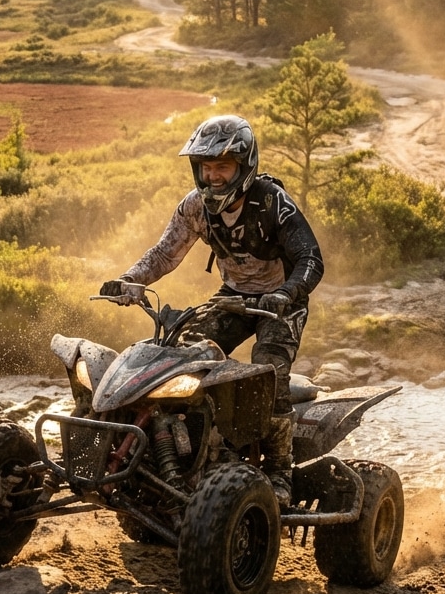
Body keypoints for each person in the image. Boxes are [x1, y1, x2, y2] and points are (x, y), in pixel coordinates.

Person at [100, 114, 324, 507]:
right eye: (206, 167)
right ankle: (184, 455)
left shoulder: (274, 203)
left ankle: (279, 472)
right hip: (232, 297)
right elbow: (165, 253)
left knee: (268, 374)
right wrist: (129, 281)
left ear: (244, 165)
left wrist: (288, 292)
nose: (214, 176)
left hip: (280, 303)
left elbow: (310, 258)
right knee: (181, 358)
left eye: (223, 166)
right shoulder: (195, 208)